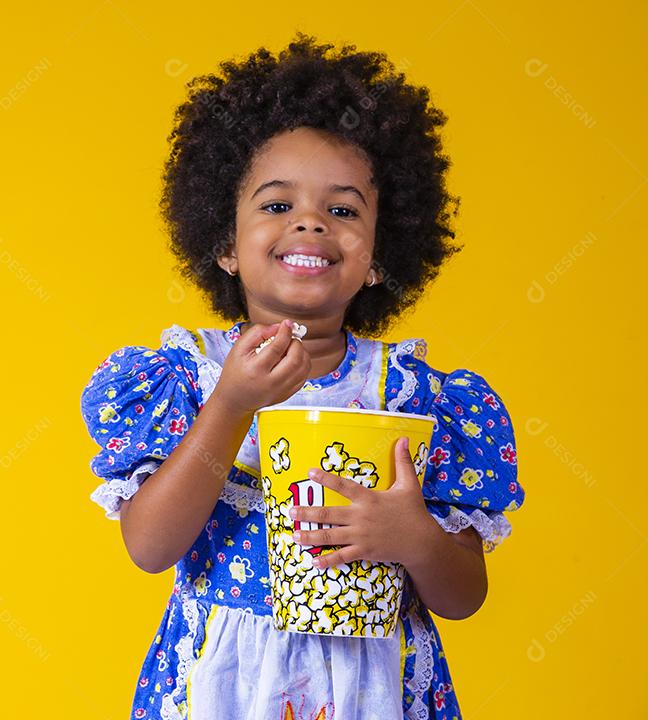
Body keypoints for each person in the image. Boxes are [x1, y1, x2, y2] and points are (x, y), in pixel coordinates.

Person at [78, 33, 524, 720]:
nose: (311, 223)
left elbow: (464, 595)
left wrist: (414, 538)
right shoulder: (188, 379)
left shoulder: (416, 398)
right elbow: (149, 544)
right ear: (225, 244)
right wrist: (230, 405)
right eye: (278, 205)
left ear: (380, 256)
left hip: (374, 686)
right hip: (224, 682)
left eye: (342, 211)